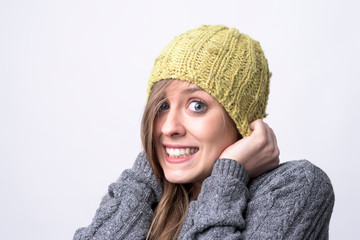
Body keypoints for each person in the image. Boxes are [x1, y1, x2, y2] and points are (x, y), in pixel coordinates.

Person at [73, 25, 334, 240]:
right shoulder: (143, 194)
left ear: (240, 120)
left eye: (197, 105)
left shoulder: (296, 187)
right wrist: (146, 173)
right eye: (162, 106)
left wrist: (228, 177)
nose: (168, 127)